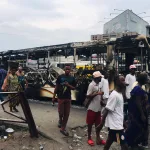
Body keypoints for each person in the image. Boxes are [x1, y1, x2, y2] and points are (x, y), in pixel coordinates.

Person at [98, 75, 128, 150]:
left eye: (124, 80)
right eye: (122, 80)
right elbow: (107, 110)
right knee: (123, 145)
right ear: (117, 82)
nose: (124, 82)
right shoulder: (114, 95)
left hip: (117, 125)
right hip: (116, 127)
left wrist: (123, 122)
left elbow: (117, 110)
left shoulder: (119, 94)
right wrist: (101, 124)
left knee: (110, 141)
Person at [126, 72, 149, 148]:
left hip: (139, 112)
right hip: (138, 113)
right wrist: (142, 114)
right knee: (137, 127)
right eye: (146, 78)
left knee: (139, 127)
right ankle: (133, 143)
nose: (148, 79)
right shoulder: (137, 89)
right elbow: (138, 102)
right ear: (143, 79)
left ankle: (137, 142)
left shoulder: (139, 88)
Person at [52, 65, 76, 136]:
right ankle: (60, 120)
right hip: (60, 97)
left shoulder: (72, 78)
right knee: (61, 112)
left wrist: (68, 85)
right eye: (66, 69)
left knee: (67, 113)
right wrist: (53, 97)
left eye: (69, 69)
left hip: (68, 98)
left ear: (70, 70)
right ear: (64, 70)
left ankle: (63, 128)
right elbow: (56, 87)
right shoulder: (60, 77)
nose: (67, 70)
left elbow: (74, 88)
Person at [86, 71, 106, 146]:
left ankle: (98, 138)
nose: (101, 78)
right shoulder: (91, 85)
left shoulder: (99, 85)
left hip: (98, 108)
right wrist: (97, 93)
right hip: (92, 108)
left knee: (98, 125)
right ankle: (89, 138)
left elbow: (99, 96)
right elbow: (88, 96)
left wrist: (101, 101)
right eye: (100, 77)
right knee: (90, 124)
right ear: (96, 78)